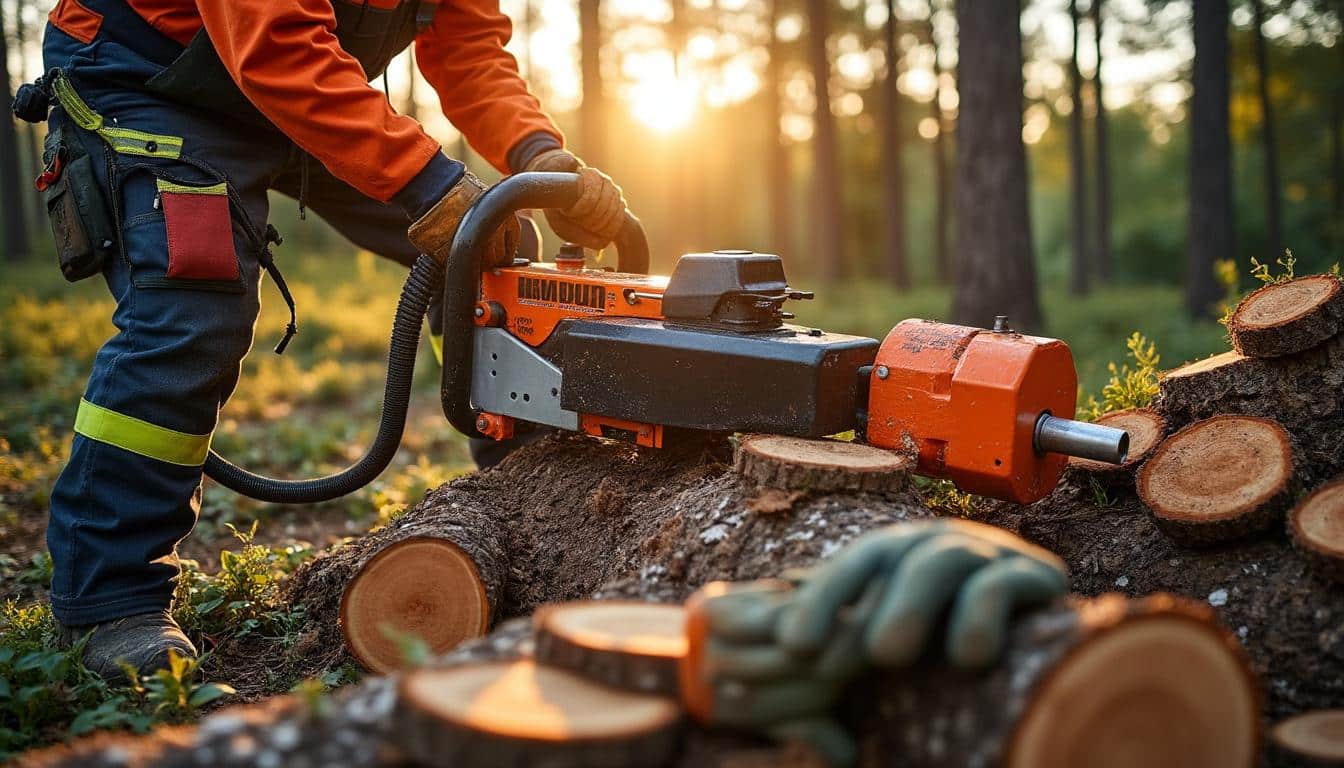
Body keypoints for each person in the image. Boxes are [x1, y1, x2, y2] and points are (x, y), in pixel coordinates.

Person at [27, 0, 627, 681]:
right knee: (192, 306)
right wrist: (431, 183)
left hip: (296, 85)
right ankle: (110, 595)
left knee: (484, 244)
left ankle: (532, 481)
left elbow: (470, 49)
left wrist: (538, 154)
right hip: (151, 80)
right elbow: (275, 40)